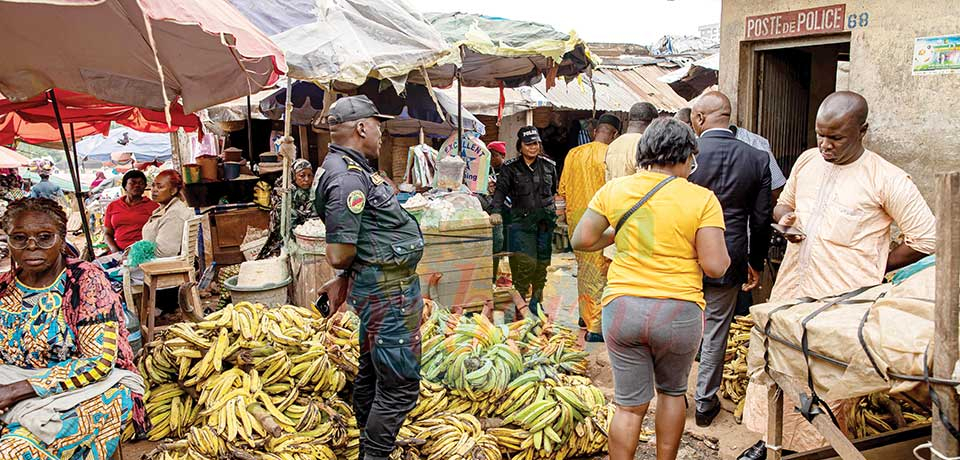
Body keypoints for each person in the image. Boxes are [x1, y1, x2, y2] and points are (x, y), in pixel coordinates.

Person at [738, 91, 936, 459]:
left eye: (836, 138)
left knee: (826, 388)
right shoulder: (808, 162)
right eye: (820, 135)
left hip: (841, 302)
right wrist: (783, 221)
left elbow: (927, 238)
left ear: (862, 131)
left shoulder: (887, 178)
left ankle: (819, 452)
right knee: (777, 369)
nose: (825, 145)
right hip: (792, 290)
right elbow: (785, 204)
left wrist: (879, 264)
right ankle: (771, 442)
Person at [571, 118, 730, 460]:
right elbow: (715, 265)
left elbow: (581, 240)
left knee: (628, 407)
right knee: (672, 393)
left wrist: (615, 234)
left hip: (623, 307)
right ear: (686, 156)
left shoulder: (615, 190)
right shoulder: (702, 199)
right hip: (678, 310)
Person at [314, 95, 424, 460]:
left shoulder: (354, 168)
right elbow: (339, 250)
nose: (382, 133)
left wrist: (345, 279)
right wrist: (347, 272)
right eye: (378, 125)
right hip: (387, 294)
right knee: (399, 387)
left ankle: (366, 440)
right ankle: (374, 454)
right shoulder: (347, 178)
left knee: (374, 374)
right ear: (362, 127)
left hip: (383, 289)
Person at [0, 198, 147, 458]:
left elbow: (98, 362)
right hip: (12, 390)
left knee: (14, 450)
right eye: (19, 238)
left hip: (88, 389)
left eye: (45, 237)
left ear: (61, 238)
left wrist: (14, 391)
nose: (32, 246)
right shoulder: (5, 288)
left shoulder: (85, 282)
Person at [686, 91, 772, 428]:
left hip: (686, 254)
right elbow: (761, 219)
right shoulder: (757, 157)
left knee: (682, 324)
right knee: (717, 329)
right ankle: (706, 404)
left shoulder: (686, 156)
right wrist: (756, 261)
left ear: (701, 118)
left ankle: (677, 396)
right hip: (731, 253)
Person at [559, 113, 620, 342]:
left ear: (595, 131)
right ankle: (595, 326)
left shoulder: (574, 153)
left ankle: (584, 317)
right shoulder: (609, 155)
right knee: (599, 273)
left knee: (584, 269)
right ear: (614, 135)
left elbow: (562, 189)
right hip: (600, 221)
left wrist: (565, 217)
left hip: (576, 219)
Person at [489, 126, 558, 315]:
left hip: (545, 221)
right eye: (528, 144)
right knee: (526, 264)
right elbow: (500, 192)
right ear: (520, 146)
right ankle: (520, 302)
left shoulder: (549, 166)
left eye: (535, 143)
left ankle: (536, 300)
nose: (533, 147)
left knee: (543, 263)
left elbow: (552, 192)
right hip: (521, 223)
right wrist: (495, 211)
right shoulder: (510, 168)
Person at [257, 158, 317, 259]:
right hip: (285, 238)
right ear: (294, 176)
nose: (306, 179)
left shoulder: (313, 192)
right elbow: (282, 216)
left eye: (309, 175)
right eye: (302, 175)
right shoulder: (285, 192)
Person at [141, 169, 194, 259]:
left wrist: (138, 251)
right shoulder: (162, 210)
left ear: (173, 191)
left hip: (160, 266)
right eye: (153, 186)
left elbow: (164, 253)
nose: (154, 190)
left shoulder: (174, 214)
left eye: (160, 187)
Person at [103, 170, 159, 254]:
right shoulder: (113, 206)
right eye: (132, 183)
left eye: (141, 183)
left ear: (145, 187)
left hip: (144, 253)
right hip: (118, 252)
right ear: (125, 186)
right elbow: (107, 234)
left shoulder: (154, 207)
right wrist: (115, 251)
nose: (137, 185)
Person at [605, 102, 658, 181]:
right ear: (653, 121)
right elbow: (647, 181)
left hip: (615, 192)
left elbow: (608, 179)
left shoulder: (612, 145)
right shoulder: (644, 144)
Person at [484, 141, 507, 283]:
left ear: (502, 155)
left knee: (499, 243)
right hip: (496, 211)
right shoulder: (489, 170)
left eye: (495, 156)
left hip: (507, 212)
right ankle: (492, 276)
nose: (492, 159)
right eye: (490, 156)